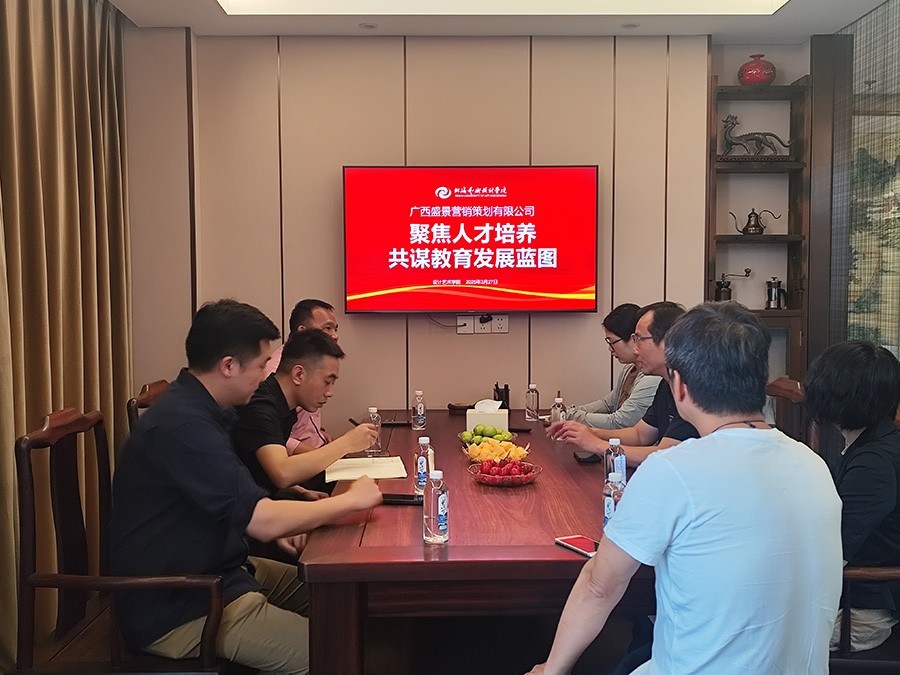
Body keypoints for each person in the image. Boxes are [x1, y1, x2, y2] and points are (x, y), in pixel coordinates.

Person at [528, 301, 843, 675]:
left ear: (678, 384)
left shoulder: (672, 471)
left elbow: (599, 586)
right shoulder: (814, 466)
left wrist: (549, 670)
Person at [109, 299, 382, 674]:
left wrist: (285, 513)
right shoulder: (185, 427)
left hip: (226, 570)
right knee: (338, 653)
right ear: (228, 366)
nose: (266, 376)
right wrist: (351, 500)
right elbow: (263, 521)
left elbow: (238, 495)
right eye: (261, 365)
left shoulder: (205, 409)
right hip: (181, 604)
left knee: (349, 598)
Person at [804, 340, 900, 652]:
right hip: (852, 597)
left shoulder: (873, 462)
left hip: (860, 613)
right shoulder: (874, 444)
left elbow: (835, 551)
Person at [548, 301, 698, 466]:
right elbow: (639, 434)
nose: (635, 349)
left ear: (667, 341)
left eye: (639, 339)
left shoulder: (692, 390)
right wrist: (589, 432)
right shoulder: (665, 385)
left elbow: (665, 455)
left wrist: (595, 444)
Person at [233, 328, 377, 497]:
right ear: (298, 374)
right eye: (327, 382)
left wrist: (300, 491)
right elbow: (282, 473)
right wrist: (347, 443)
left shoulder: (284, 406)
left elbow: (258, 470)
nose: (330, 392)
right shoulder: (261, 405)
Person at [564, 303, 661, 430]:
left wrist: (573, 416)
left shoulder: (651, 377)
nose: (610, 349)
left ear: (633, 339)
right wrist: (572, 411)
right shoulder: (629, 369)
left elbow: (619, 421)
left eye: (612, 342)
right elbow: (608, 404)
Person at [265, 299, 340, 455]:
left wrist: (319, 433)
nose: (335, 336)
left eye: (335, 329)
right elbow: (270, 434)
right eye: (327, 328)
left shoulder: (313, 363)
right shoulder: (277, 370)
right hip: (298, 460)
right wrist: (330, 452)